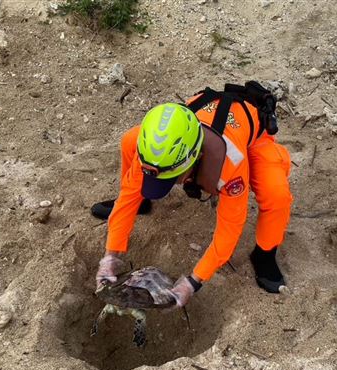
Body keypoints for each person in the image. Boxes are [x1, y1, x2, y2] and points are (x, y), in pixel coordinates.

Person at [91, 85, 293, 307]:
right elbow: (126, 198)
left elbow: (230, 229)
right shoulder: (155, 150)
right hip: (198, 126)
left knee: (276, 194)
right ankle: (144, 202)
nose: (166, 183)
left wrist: (193, 281)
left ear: (194, 160)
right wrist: (110, 256)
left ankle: (265, 253)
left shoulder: (231, 166)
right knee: (128, 140)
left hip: (252, 140)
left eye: (171, 179)